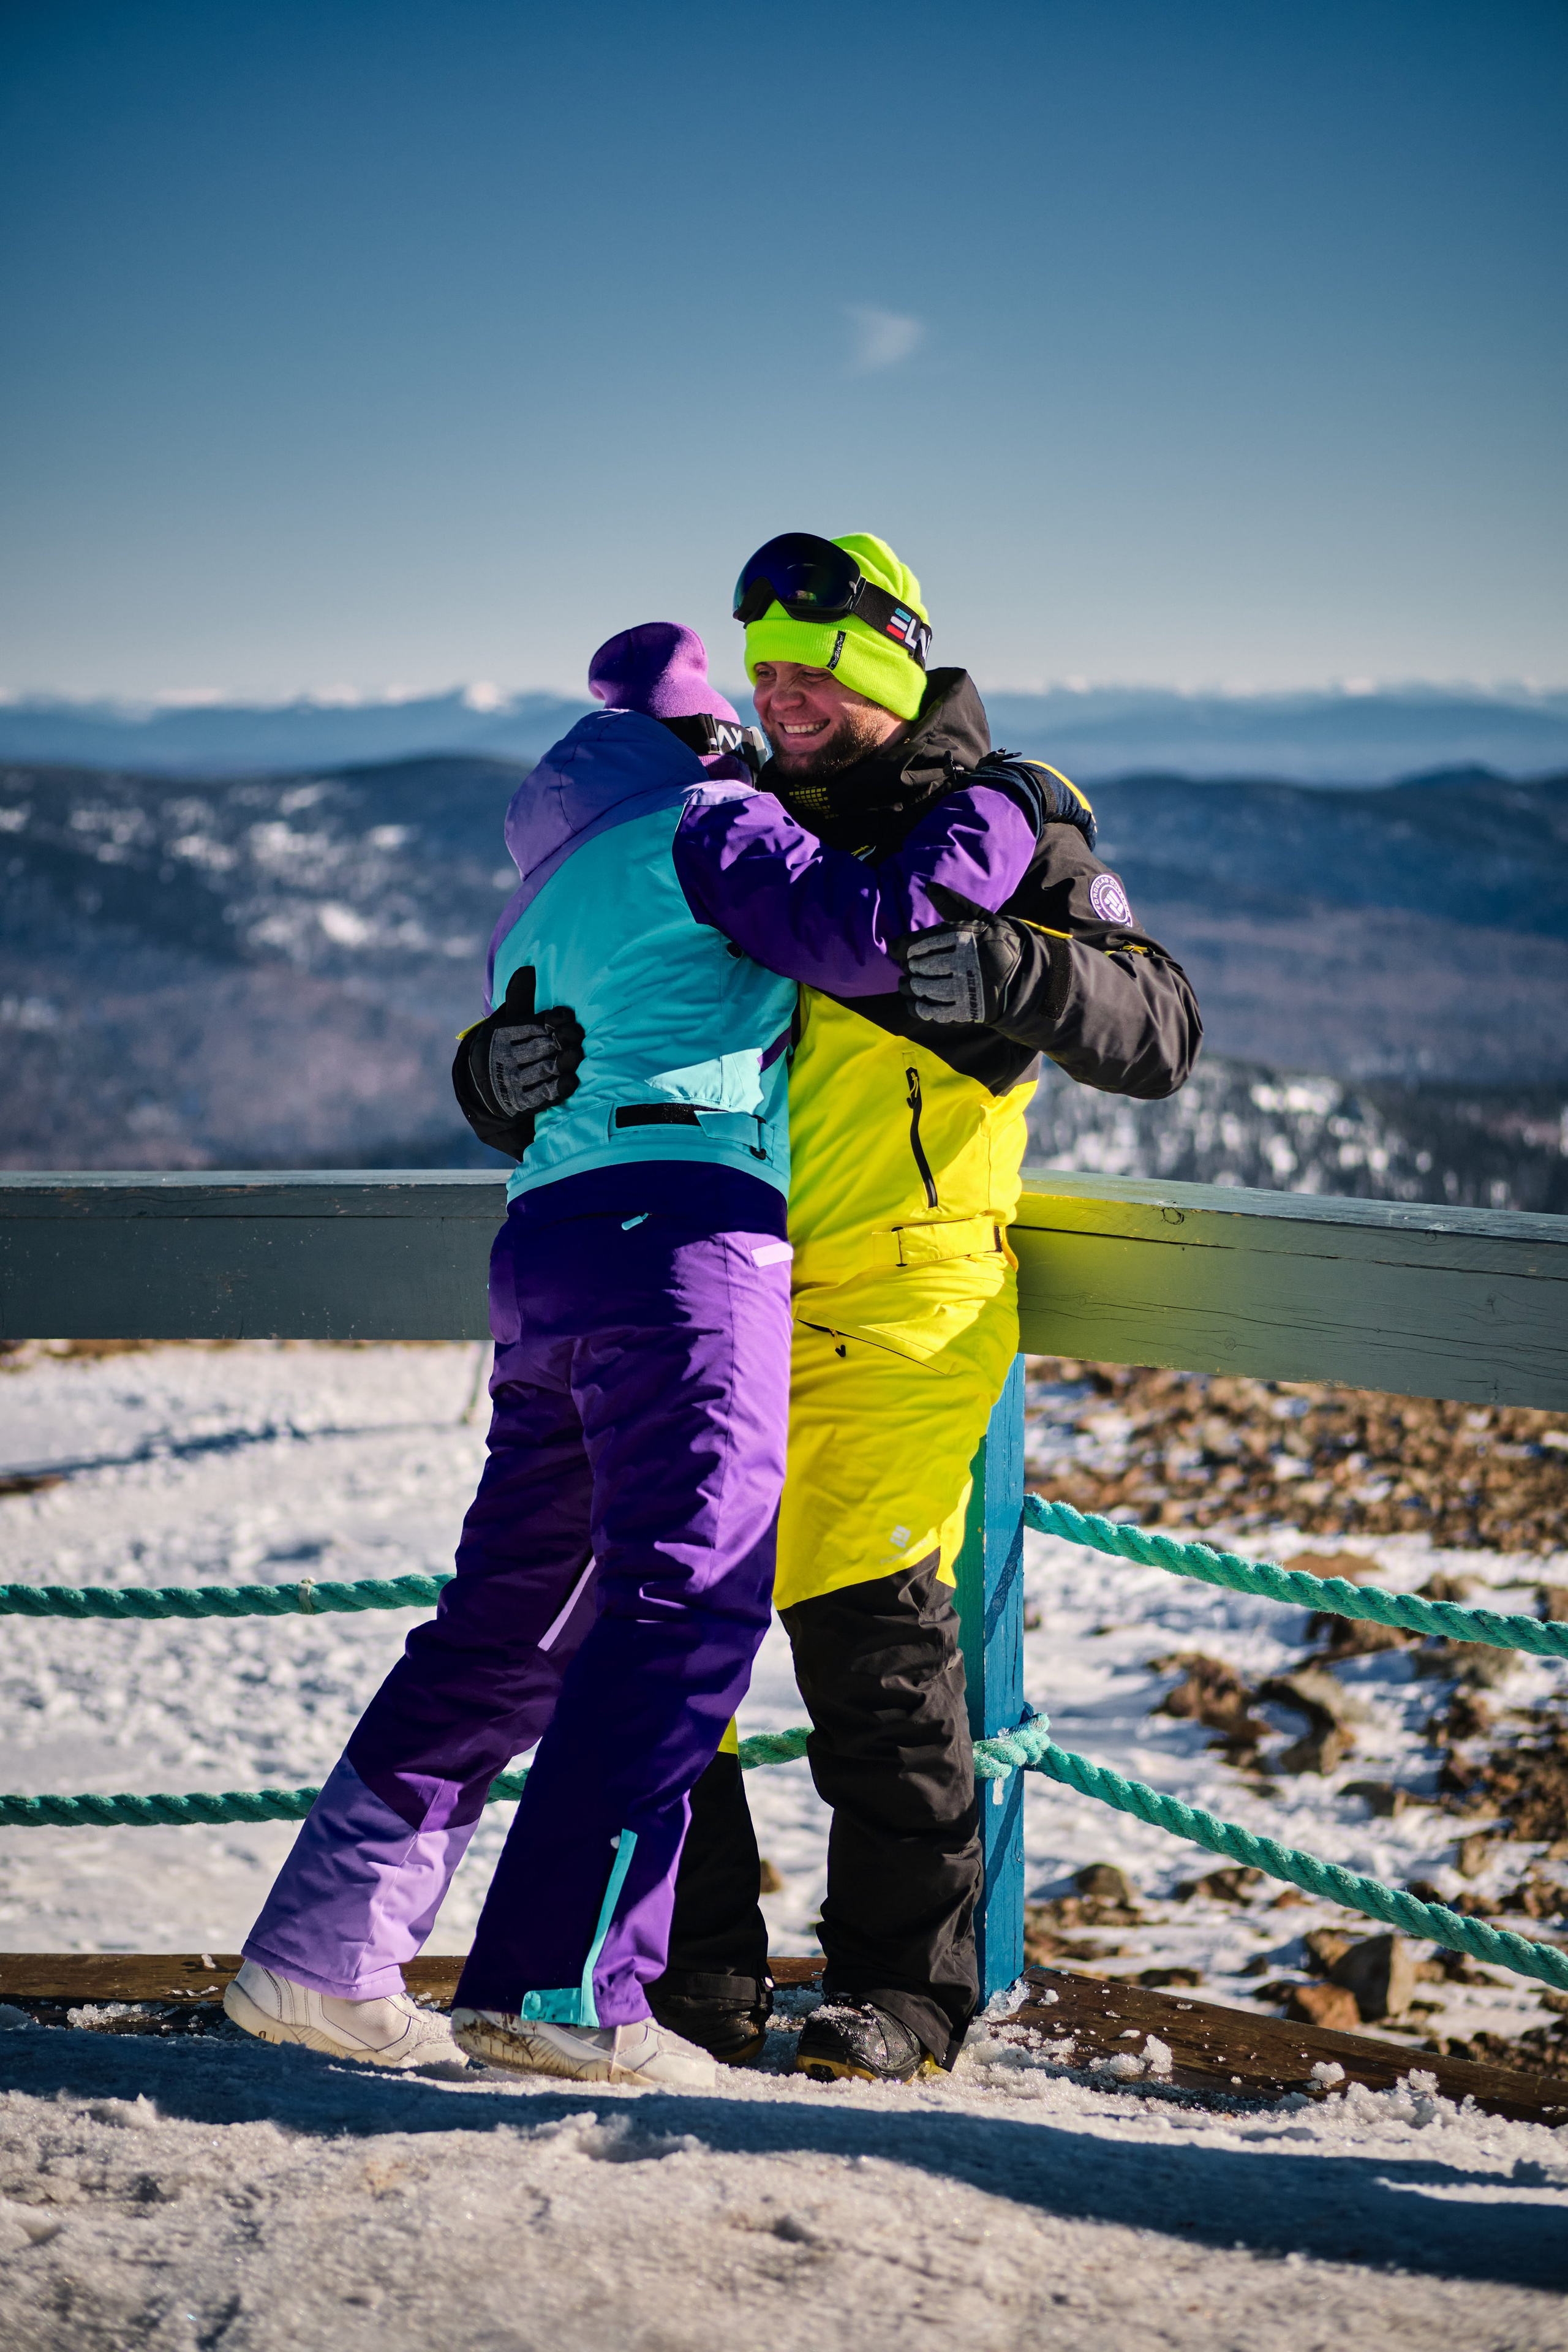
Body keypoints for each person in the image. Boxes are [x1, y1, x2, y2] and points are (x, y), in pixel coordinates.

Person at [224, 616, 1061, 2085]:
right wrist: (1007, 809)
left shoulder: (547, 874)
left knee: (510, 1625)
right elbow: (879, 932)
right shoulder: (710, 820)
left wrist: (485, 1074)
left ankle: (319, 1956)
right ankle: (563, 1991)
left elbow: (534, 1050)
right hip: (684, 1241)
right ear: (705, 737)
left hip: (546, 1252)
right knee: (680, 1612)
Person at [640, 533, 1202, 2083]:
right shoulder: (729, 814)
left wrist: (1021, 973)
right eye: (762, 672)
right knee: (660, 1637)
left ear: (887, 659)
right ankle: (690, 1976)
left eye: (812, 670)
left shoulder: (1003, 821)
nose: (781, 696)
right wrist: (498, 1076)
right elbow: (581, 993)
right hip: (708, 1293)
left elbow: (1158, 1023)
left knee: (871, 1648)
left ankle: (903, 1991)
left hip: (904, 1297)